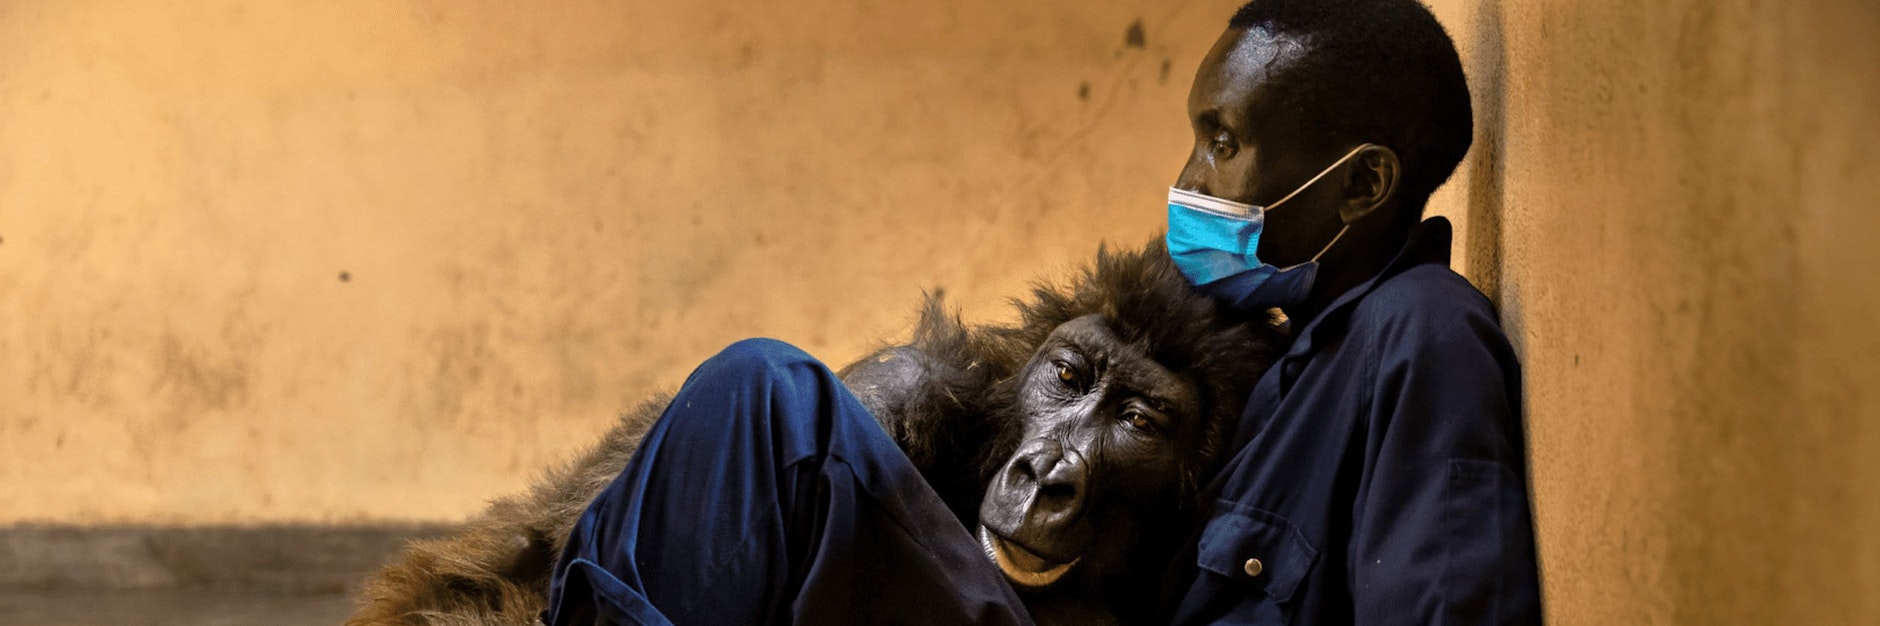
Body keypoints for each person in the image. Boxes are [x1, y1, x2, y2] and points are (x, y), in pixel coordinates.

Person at [542, 0, 1542, 623]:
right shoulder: (1284, 355)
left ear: (1361, 183)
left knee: (768, 400)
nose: (1189, 177)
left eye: (1221, 142)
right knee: (828, 414)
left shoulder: (1418, 333)